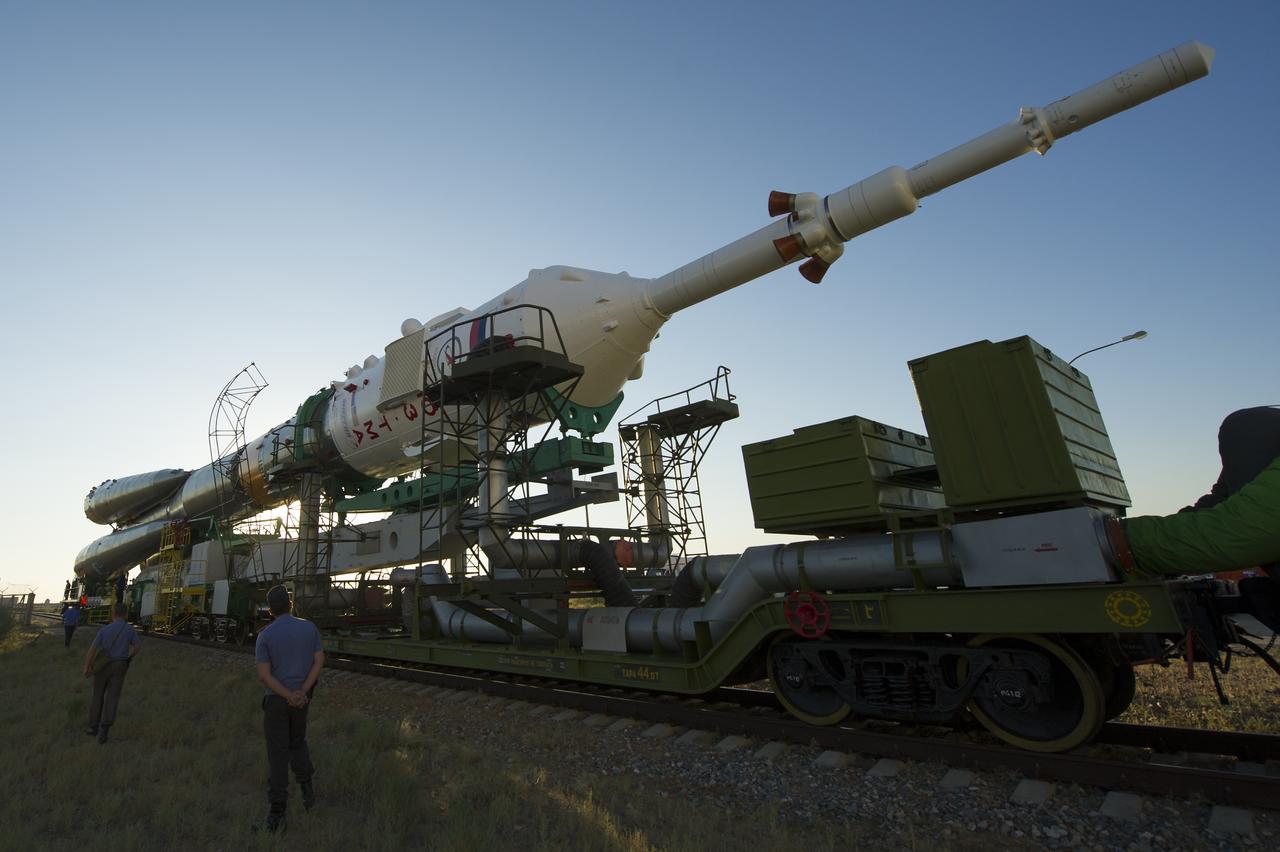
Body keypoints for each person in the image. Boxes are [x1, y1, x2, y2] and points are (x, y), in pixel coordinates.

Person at [255, 585, 324, 833]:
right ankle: (308, 793)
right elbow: (318, 662)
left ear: (271, 610)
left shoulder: (265, 635)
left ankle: (277, 815)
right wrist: (302, 692)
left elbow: (264, 676)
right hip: (302, 702)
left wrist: (286, 695)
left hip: (276, 702)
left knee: (277, 754)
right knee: (298, 743)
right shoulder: (309, 628)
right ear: (291, 604)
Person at [82, 602, 141, 743]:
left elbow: (93, 649)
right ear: (126, 614)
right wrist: (128, 658)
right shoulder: (129, 630)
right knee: (113, 696)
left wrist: (87, 666)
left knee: (97, 695)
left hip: (102, 665)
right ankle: (105, 729)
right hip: (120, 665)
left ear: (113, 613)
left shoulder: (105, 630)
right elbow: (137, 647)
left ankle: (92, 726)